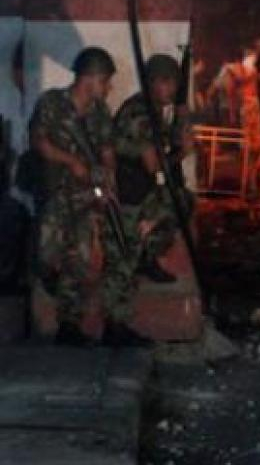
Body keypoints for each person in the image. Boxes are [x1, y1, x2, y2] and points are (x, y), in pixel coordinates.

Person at [29, 47, 147, 346]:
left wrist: (108, 183)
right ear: (89, 78)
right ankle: (44, 277)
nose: (108, 88)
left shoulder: (99, 112)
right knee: (46, 255)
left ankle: (68, 325)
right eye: (105, 81)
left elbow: (107, 151)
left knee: (79, 259)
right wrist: (71, 161)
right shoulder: (52, 103)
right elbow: (40, 142)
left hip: (85, 196)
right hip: (54, 194)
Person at [114, 54, 194, 285]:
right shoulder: (140, 114)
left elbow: (165, 146)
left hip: (138, 187)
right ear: (153, 82)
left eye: (175, 83)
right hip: (126, 195)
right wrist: (183, 153)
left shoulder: (152, 109)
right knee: (177, 202)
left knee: (182, 200)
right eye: (168, 82)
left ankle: (145, 257)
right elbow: (154, 166)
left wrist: (181, 122)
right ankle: (137, 251)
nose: (173, 89)